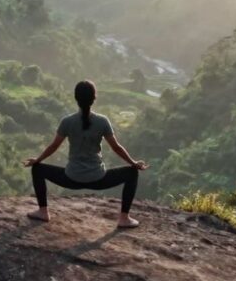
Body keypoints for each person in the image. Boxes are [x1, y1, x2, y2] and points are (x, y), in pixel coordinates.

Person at [23, 80, 150, 228]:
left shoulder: (67, 121)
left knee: (37, 169)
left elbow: (54, 146)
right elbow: (116, 147)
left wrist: (37, 160)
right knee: (132, 173)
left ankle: (43, 212)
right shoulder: (102, 121)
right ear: (94, 98)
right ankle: (124, 218)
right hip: (98, 178)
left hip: (71, 177)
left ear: (76, 98)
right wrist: (133, 163)